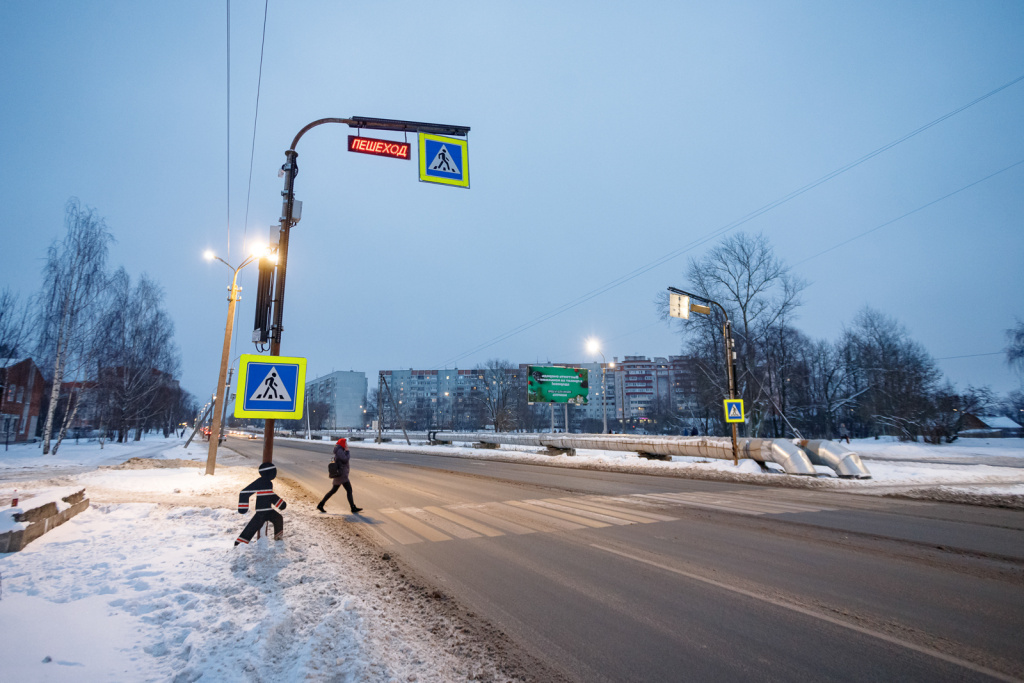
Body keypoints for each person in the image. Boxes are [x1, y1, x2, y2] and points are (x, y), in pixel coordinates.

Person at [235, 462, 286, 546]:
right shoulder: (260, 482)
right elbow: (244, 492)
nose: (275, 474)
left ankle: (278, 539)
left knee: (278, 518)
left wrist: (280, 503)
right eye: (274, 472)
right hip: (261, 511)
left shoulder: (269, 483)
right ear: (269, 473)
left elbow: (270, 495)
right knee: (252, 527)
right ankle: (240, 543)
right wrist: (243, 508)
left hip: (268, 510)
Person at [317, 438, 362, 514]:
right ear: (343, 444)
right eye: (346, 444)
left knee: (334, 491)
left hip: (340, 474)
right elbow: (345, 459)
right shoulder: (340, 451)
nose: (347, 445)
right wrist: (347, 451)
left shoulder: (339, 450)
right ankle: (353, 508)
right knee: (349, 490)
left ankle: (321, 504)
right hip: (342, 475)